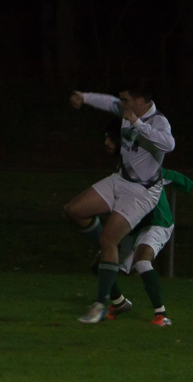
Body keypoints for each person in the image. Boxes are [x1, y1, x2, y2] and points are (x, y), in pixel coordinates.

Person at [65, 83, 175, 323]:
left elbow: (169, 144)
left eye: (125, 100)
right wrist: (84, 96)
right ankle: (108, 256)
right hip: (120, 180)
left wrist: (137, 123)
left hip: (141, 192)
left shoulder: (158, 121)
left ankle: (101, 305)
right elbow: (107, 102)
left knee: (108, 240)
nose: (120, 104)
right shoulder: (127, 109)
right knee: (75, 210)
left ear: (140, 100)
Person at [98, 120, 193, 325]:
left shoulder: (142, 166)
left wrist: (189, 186)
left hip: (157, 224)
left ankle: (161, 315)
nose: (106, 142)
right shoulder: (122, 169)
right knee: (99, 264)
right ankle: (119, 303)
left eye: (110, 138)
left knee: (142, 261)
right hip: (134, 225)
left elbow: (167, 174)